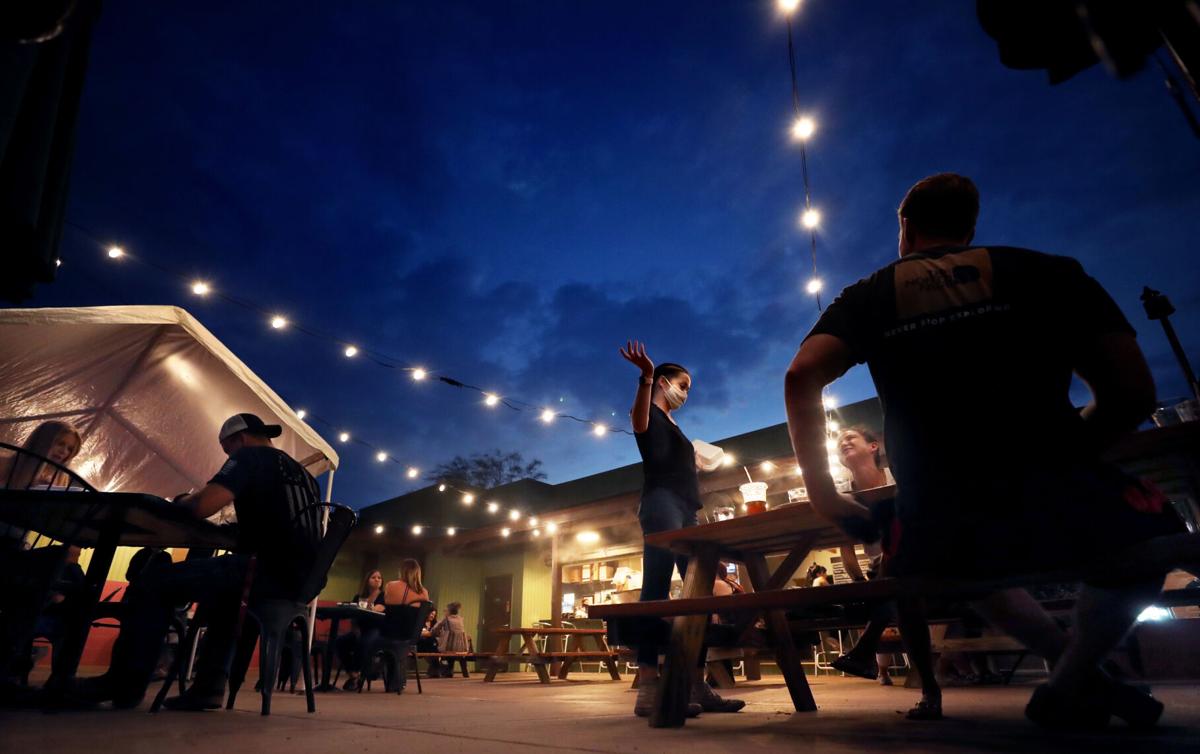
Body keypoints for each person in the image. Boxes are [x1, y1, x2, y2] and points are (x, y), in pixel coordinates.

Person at [784, 172, 1184, 728]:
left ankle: (1073, 676)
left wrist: (825, 496)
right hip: (1056, 492)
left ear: (905, 229)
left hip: (939, 518)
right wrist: (1067, 450)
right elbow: (1133, 394)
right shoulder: (1046, 271)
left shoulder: (870, 294)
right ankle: (1075, 676)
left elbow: (802, 373)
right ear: (971, 226)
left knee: (964, 568)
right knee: (1158, 537)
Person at [74, 412, 324, 710]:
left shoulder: (249, 457)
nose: (228, 455)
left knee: (154, 580)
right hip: (300, 581)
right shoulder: (304, 476)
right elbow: (282, 525)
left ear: (239, 439)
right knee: (224, 594)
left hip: (261, 570)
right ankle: (209, 686)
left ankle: (124, 683)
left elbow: (203, 505)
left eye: (226, 449)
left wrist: (182, 501)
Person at [619, 341, 743, 717]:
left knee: (700, 593)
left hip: (689, 509)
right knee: (655, 589)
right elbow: (638, 422)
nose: (686, 392)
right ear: (663, 382)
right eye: (683, 384)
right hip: (660, 503)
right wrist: (644, 376)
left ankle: (697, 684)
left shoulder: (676, 427)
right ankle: (649, 687)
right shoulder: (650, 415)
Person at [0, 421, 85, 692]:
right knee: (59, 571)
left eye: (69, 449)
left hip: (16, 551)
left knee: (70, 567)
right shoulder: (6, 466)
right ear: (42, 440)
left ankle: (54, 673)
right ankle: (20, 664)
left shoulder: (54, 482)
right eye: (60, 444)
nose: (63, 452)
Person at [829, 427, 900, 686]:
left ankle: (865, 653)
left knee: (892, 566)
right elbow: (845, 546)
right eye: (840, 442)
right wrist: (859, 582)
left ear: (873, 446)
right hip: (880, 572)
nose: (843, 442)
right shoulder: (844, 494)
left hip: (916, 556)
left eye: (850, 437)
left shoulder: (895, 478)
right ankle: (866, 655)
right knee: (881, 581)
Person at [336, 570, 386, 691]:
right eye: (373, 577)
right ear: (367, 580)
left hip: (375, 629)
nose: (377, 579)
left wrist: (365, 606)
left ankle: (357, 673)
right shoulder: (358, 596)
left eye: (379, 577)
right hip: (359, 628)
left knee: (364, 642)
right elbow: (353, 616)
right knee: (339, 642)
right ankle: (352, 673)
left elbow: (379, 608)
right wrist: (355, 629)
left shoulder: (383, 595)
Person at [431, 602, 469, 678]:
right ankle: (449, 671)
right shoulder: (460, 619)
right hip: (461, 648)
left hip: (449, 647)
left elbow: (434, 630)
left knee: (436, 649)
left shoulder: (446, 619)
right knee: (451, 649)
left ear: (449, 611)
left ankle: (441, 671)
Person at [418, 607, 440, 677]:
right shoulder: (420, 621)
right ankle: (437, 670)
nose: (432, 616)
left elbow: (438, 633)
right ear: (427, 613)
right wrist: (428, 633)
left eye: (434, 615)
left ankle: (434, 671)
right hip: (420, 644)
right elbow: (418, 633)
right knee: (433, 644)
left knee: (435, 646)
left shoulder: (435, 623)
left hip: (430, 645)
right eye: (431, 614)